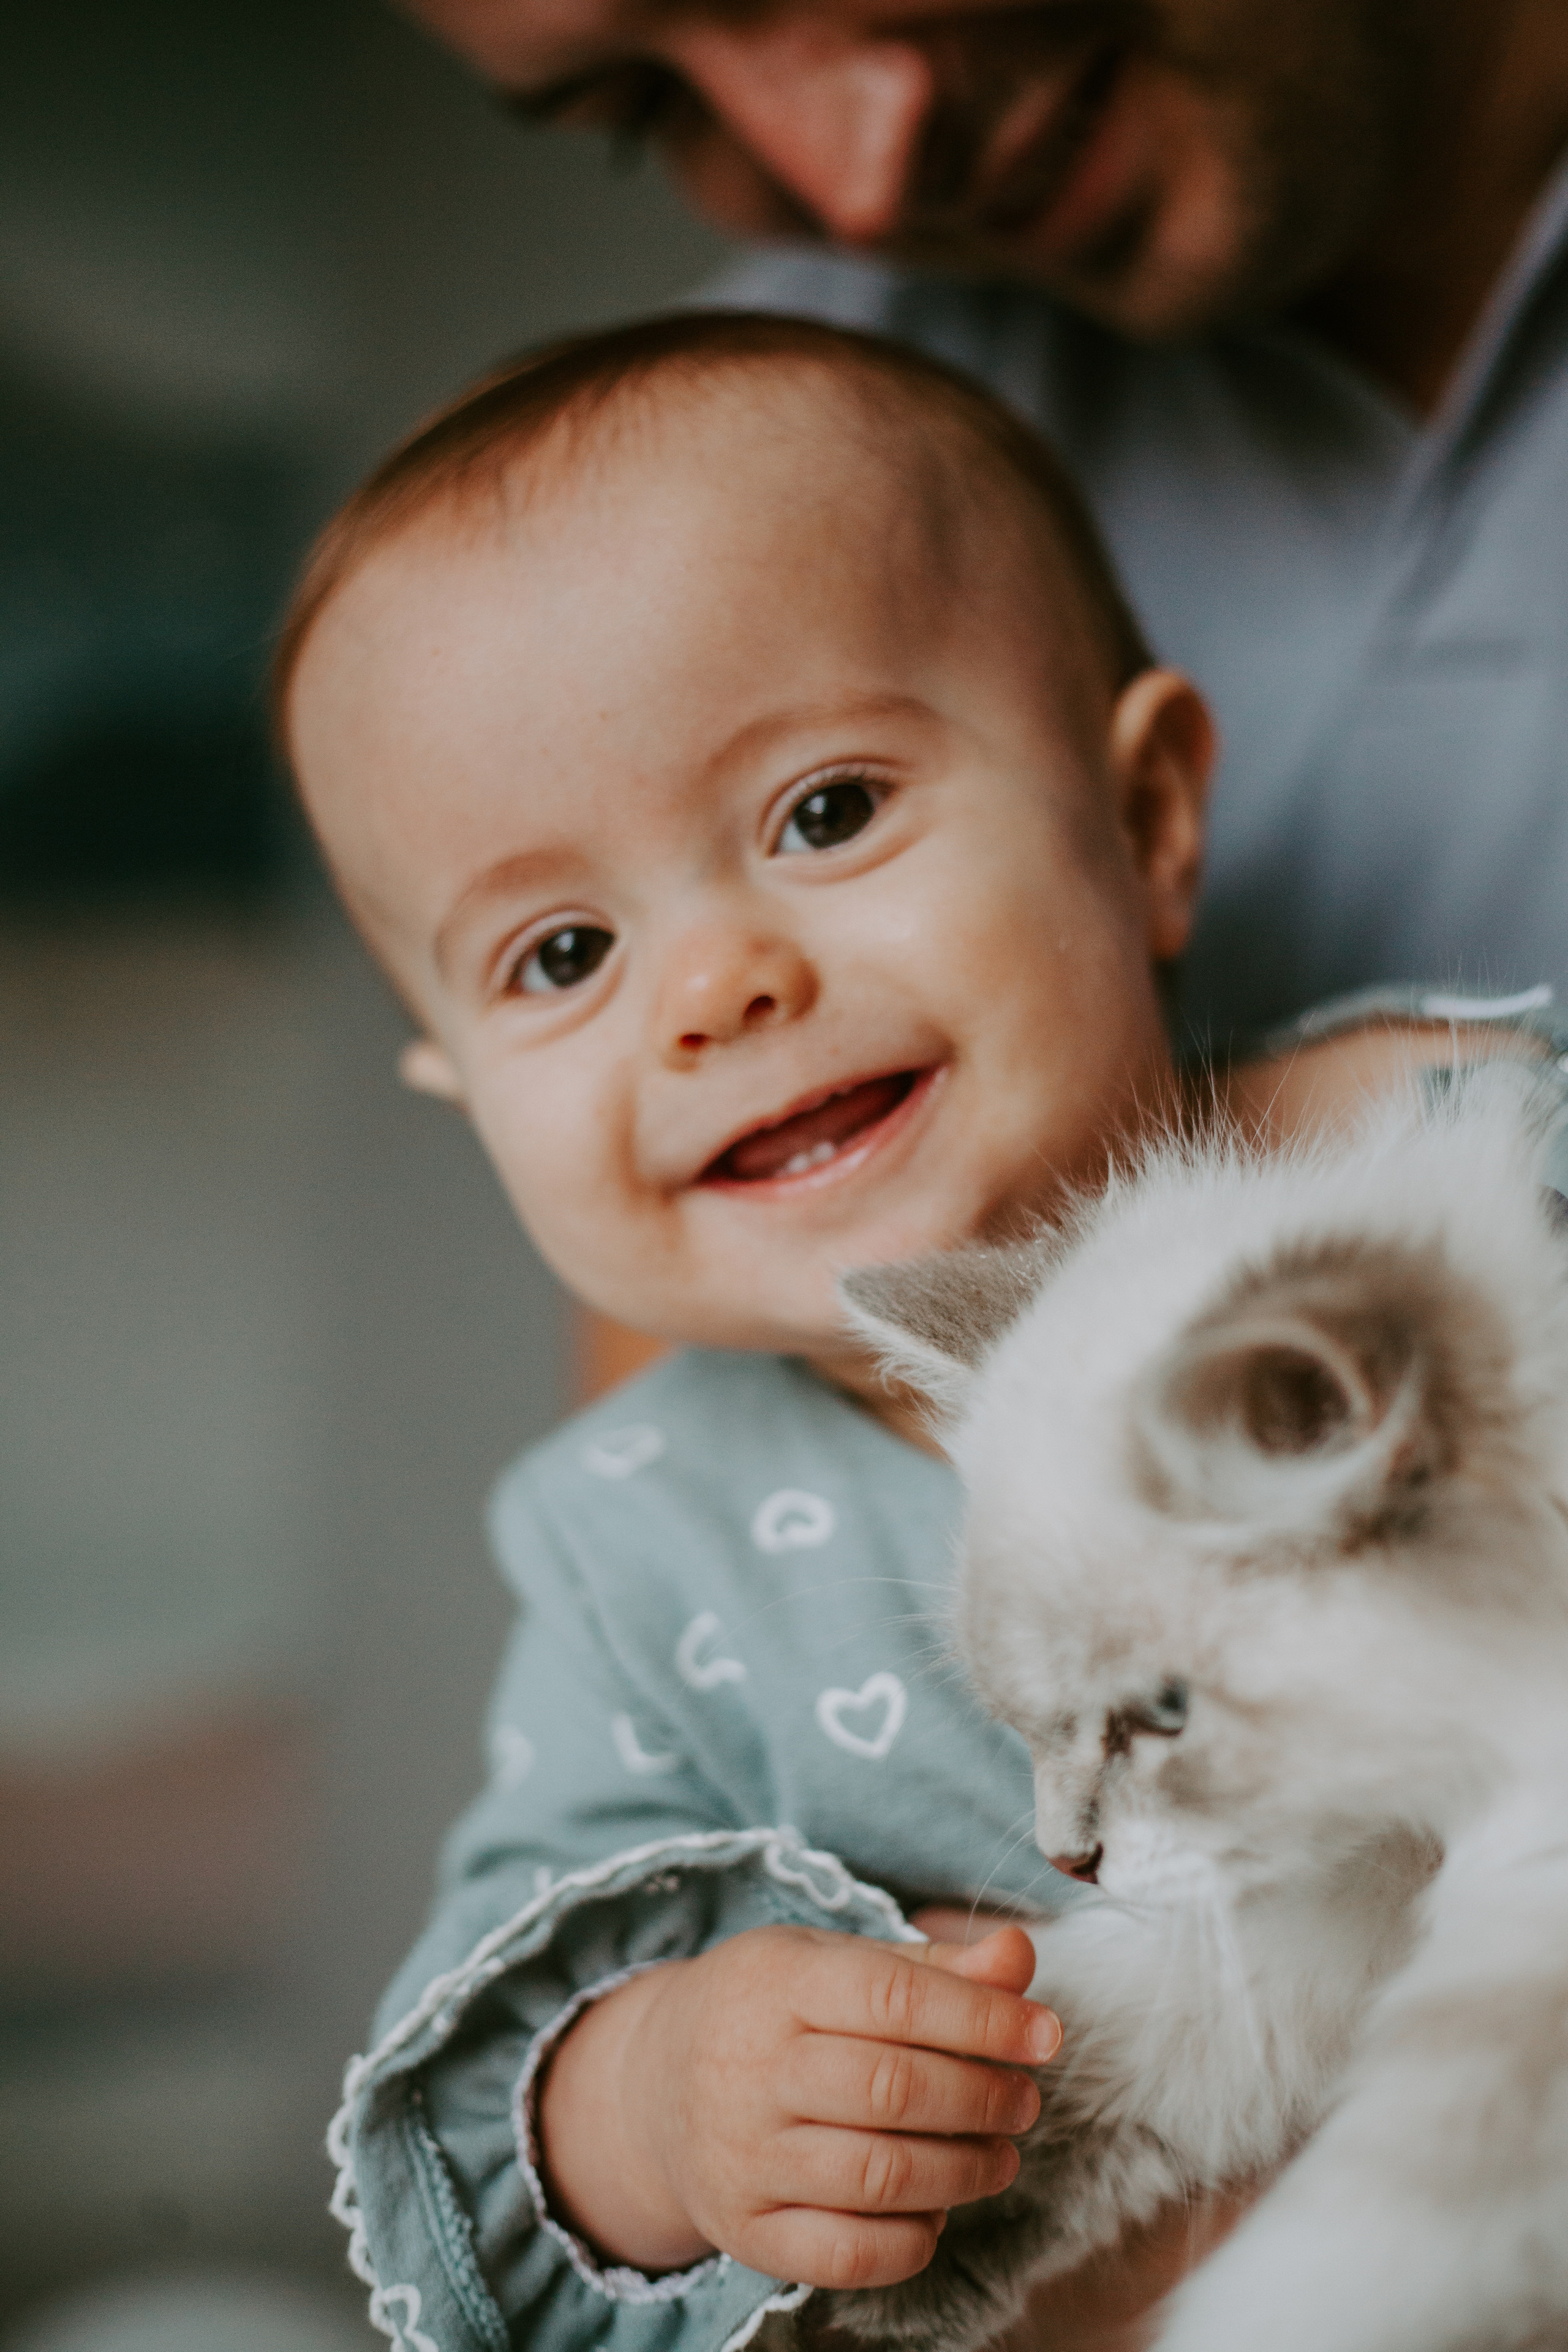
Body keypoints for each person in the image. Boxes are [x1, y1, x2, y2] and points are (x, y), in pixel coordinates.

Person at [276, 310, 1553, 2352]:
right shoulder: (647, 1546)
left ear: (1145, 821)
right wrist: (673, 2102)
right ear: (460, 1091)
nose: (712, 987)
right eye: (563, 952)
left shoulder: (1457, 1145)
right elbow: (494, 2079)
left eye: (826, 812)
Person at [398, 0, 1568, 1052]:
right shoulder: (738, 476)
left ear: (1158, 808)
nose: (860, 186)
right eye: (642, 110)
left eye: (833, 812)